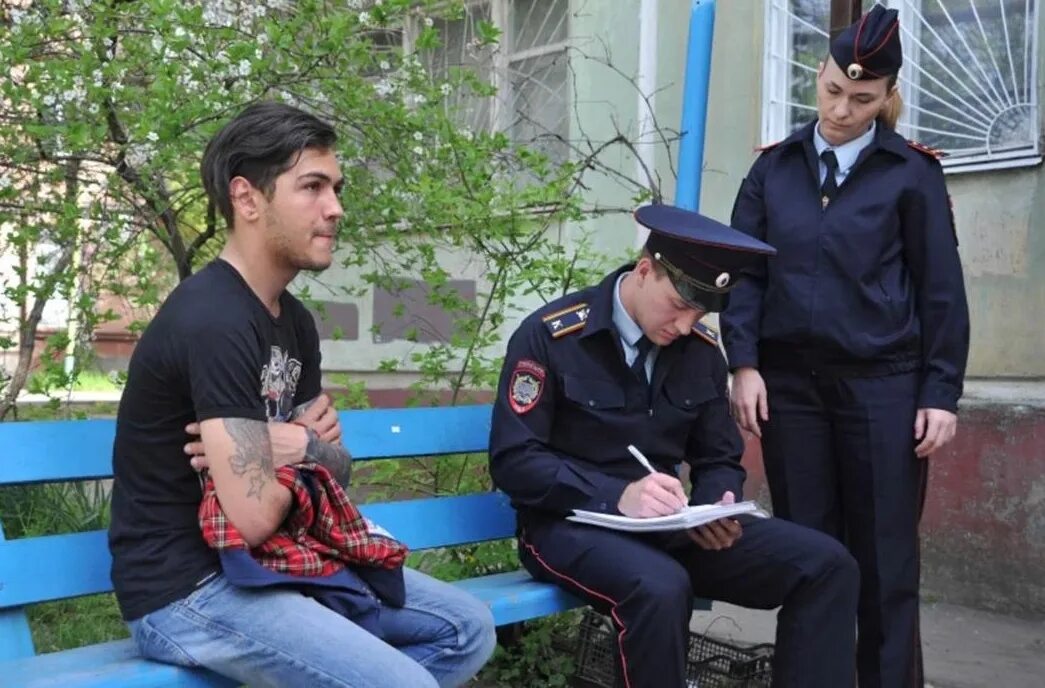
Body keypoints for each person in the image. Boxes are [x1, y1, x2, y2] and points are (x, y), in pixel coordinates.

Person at [108, 101, 496, 688]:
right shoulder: (212, 319)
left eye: (335, 187)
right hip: (188, 590)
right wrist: (301, 447)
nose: (335, 207)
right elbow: (255, 514)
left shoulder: (293, 322)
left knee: (467, 628)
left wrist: (297, 447)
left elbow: (334, 471)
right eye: (312, 186)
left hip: (272, 565)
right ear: (247, 199)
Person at [489, 203, 861, 688]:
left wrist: (716, 506)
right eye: (680, 306)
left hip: (668, 528)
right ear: (644, 271)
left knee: (828, 566)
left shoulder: (699, 354)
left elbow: (719, 456)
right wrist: (616, 496)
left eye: (700, 312)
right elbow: (515, 461)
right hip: (566, 526)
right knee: (661, 588)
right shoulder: (553, 336)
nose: (686, 325)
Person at [721, 5, 970, 687]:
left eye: (861, 99)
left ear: (887, 96)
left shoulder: (909, 173)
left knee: (885, 561)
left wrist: (939, 393)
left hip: (882, 389)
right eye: (832, 89)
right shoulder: (773, 170)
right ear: (818, 75)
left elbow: (939, 291)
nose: (841, 108)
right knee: (808, 556)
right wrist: (742, 362)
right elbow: (742, 275)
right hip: (790, 391)